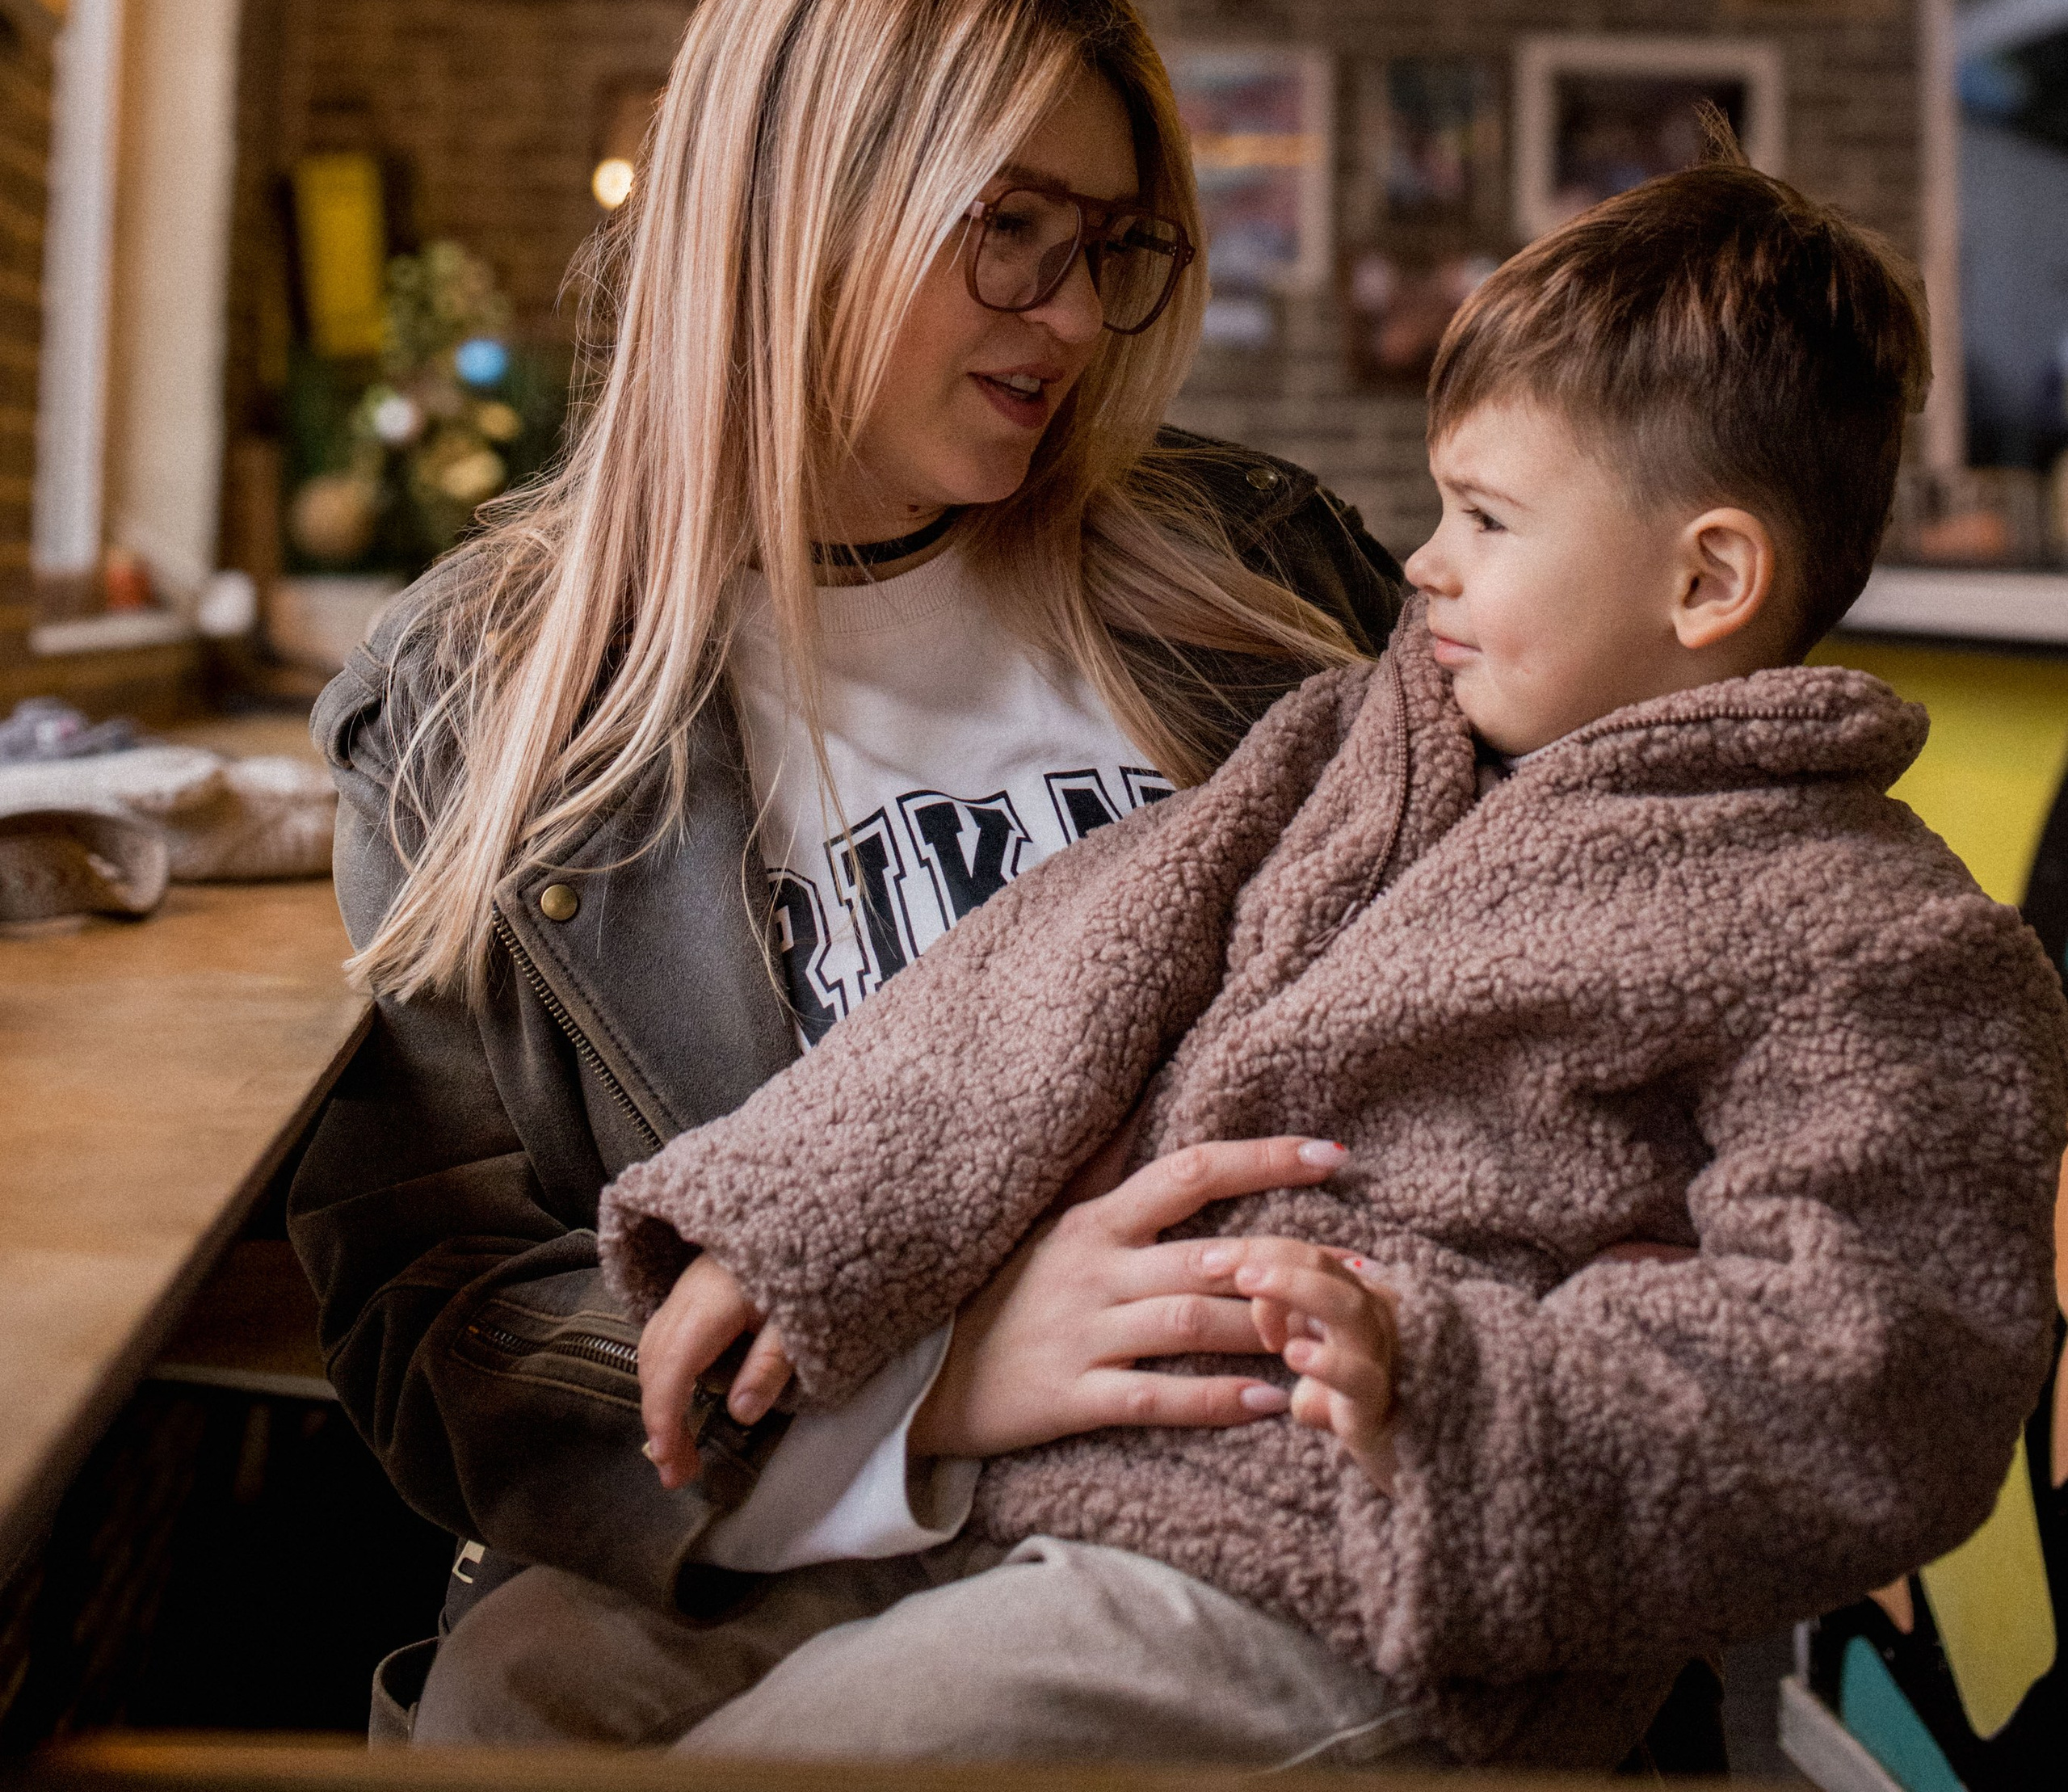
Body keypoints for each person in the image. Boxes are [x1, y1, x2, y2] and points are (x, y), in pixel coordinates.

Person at [601, 154, 2068, 1773]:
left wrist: (1450, 1395)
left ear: (1706, 578)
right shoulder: (1355, 745)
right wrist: (807, 1214)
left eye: (1486, 520)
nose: (1422, 562)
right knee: (543, 1677)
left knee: (807, 1760)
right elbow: (1063, 955)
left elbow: (1874, 1374)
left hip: (1368, 1584)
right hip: (1085, 1472)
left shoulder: (1875, 936)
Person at [285, 0, 1405, 1742]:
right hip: (820, 1493)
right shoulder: (469, 710)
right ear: (791, 217)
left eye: (1107, 244)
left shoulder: (1267, 573)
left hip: (1276, 1438)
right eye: (1008, 232)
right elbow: (451, 1304)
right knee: (508, 1700)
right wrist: (939, 1388)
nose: (1068, 315)